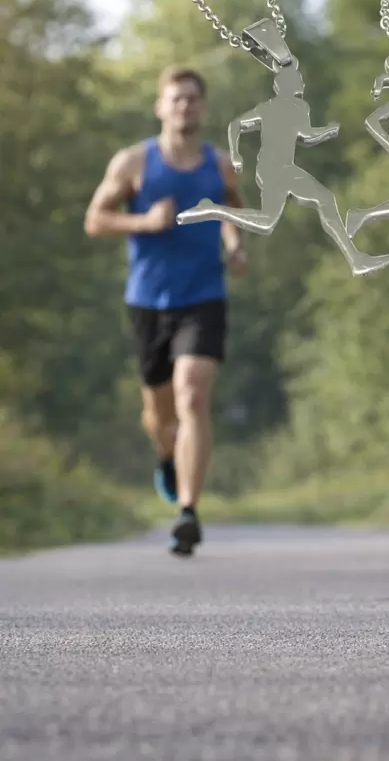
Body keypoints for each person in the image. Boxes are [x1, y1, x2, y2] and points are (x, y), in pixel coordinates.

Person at [84, 65, 248, 557]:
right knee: (159, 415)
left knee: (192, 397)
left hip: (204, 297)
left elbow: (233, 210)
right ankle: (165, 454)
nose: (184, 107)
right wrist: (144, 221)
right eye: (176, 99)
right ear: (160, 106)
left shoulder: (220, 165)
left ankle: (188, 512)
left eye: (193, 99)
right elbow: (95, 220)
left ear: (204, 107)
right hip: (149, 301)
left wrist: (236, 244)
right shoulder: (134, 162)